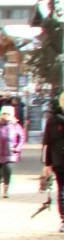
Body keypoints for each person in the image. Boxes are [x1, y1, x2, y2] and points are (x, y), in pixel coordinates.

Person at [0, 103, 25, 197]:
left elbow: (21, 137)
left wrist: (17, 148)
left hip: (10, 153)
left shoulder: (16, 126)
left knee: (7, 170)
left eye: (8, 114)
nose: (6, 116)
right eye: (4, 113)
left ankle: (6, 190)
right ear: (1, 114)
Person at [46, 95, 64, 232]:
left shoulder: (53, 120)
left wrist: (47, 164)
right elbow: (47, 143)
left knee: (62, 190)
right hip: (59, 161)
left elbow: (47, 144)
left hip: (58, 160)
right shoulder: (53, 120)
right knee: (62, 190)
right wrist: (47, 164)